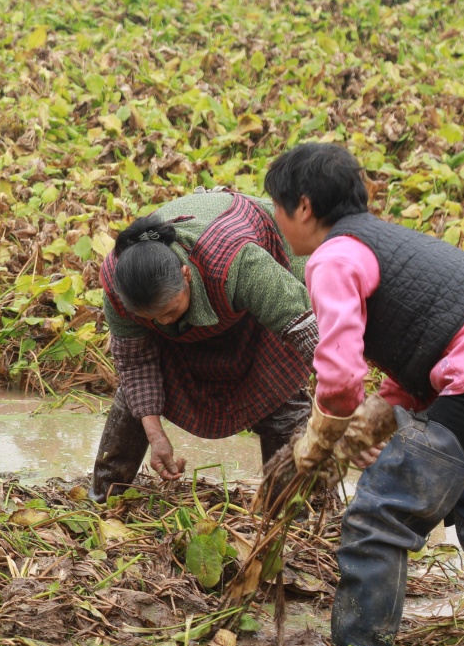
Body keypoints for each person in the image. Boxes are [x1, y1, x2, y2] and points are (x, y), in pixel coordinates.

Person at [265, 142, 464, 646]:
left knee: (378, 514)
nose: (276, 218)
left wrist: (316, 442)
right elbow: (425, 357)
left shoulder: (333, 257)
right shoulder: (386, 240)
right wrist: (368, 430)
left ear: (305, 207)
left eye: (277, 205)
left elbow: (339, 379)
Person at [91, 190, 320, 499]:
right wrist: (155, 434)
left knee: (282, 399)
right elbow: (136, 365)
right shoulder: (121, 286)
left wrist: (341, 405)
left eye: (170, 311)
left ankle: (289, 513)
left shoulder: (239, 263)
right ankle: (105, 495)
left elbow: (307, 332)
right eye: (150, 318)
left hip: (265, 274)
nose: (163, 324)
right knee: (135, 395)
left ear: (186, 276)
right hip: (209, 294)